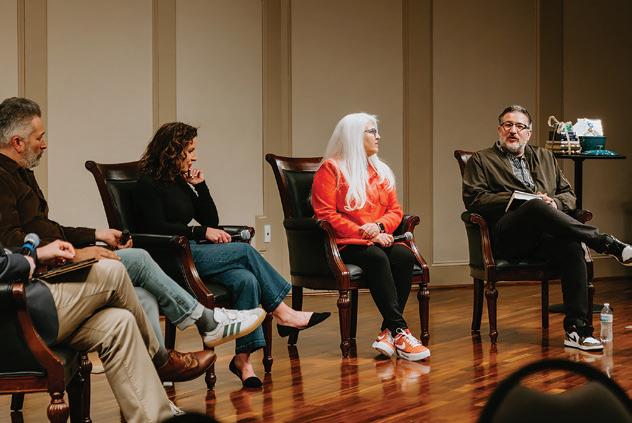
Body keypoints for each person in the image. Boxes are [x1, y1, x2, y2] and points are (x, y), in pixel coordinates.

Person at [0, 97, 267, 381]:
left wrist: (97, 235)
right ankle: (206, 321)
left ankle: (158, 382)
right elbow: (10, 242)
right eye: (39, 138)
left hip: (58, 265)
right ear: (18, 142)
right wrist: (76, 253)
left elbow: (46, 229)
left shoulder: (22, 174)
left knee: (143, 297)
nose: (44, 144)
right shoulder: (2, 178)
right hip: (43, 278)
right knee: (138, 258)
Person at [134, 122, 330, 388]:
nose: (194, 157)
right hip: (170, 258)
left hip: (193, 251)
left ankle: (243, 361)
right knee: (245, 251)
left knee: (245, 280)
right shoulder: (147, 184)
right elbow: (155, 228)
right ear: (172, 150)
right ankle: (284, 314)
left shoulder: (179, 181)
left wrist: (200, 187)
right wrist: (199, 232)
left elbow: (211, 220)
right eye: (189, 151)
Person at [461, 104, 632, 351]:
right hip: (508, 237)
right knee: (534, 205)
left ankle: (577, 331)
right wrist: (518, 199)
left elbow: (569, 196)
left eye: (520, 126)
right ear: (499, 130)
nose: (513, 130)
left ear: (528, 133)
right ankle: (608, 244)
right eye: (508, 125)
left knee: (571, 245)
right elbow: (475, 200)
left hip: (544, 237)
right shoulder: (481, 159)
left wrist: (555, 203)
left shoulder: (545, 156)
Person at [0, 239, 190, 422]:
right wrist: (31, 258)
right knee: (114, 271)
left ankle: (157, 418)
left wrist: (36, 254)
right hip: (14, 317)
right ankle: (161, 360)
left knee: (119, 323)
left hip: (19, 308)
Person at [311, 112, 430, 362]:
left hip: (377, 238)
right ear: (355, 135)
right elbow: (325, 215)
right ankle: (400, 331)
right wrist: (366, 234)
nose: (378, 136)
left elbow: (395, 211)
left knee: (404, 256)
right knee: (376, 257)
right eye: (372, 131)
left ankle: (388, 332)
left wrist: (379, 227)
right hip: (345, 243)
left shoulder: (380, 170)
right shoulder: (331, 169)